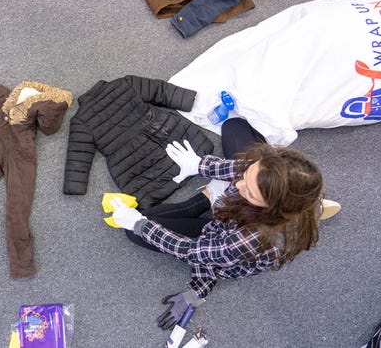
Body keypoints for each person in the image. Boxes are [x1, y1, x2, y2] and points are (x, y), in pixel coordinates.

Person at [109, 117, 339, 330]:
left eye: (249, 192)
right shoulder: (264, 171)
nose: (237, 185)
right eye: (248, 175)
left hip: (221, 238)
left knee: (136, 232)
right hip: (233, 220)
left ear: (272, 208)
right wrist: (199, 165)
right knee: (235, 125)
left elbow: (194, 252)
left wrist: (141, 225)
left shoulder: (253, 238)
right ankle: (213, 195)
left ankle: (206, 197)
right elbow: (239, 169)